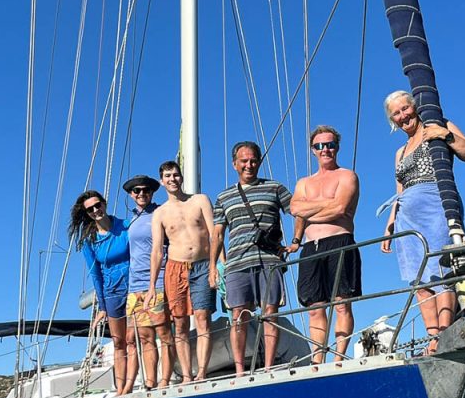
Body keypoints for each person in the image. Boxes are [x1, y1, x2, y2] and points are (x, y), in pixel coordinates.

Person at [380, 91, 465, 354]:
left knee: (441, 270)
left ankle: (443, 335)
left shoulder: (439, 125)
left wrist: (446, 136)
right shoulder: (399, 152)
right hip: (407, 216)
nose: (402, 116)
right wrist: (391, 224)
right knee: (418, 279)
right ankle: (431, 336)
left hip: (437, 204)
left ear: (414, 107)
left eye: (404, 109)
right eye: (396, 114)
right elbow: (400, 190)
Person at [209, 141, 292, 375]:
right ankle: (239, 370)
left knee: (270, 313)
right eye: (244, 161)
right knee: (238, 316)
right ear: (235, 164)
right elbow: (217, 234)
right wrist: (212, 268)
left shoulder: (275, 188)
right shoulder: (224, 197)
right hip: (236, 263)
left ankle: (267, 367)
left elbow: (297, 209)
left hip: (269, 260)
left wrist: (296, 239)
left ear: (259, 162)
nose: (249, 165)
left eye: (253, 160)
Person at [288, 126, 361, 363]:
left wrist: (312, 211)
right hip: (311, 247)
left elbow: (340, 207)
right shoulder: (304, 183)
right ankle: (317, 359)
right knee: (315, 307)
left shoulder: (347, 176)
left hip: (339, 241)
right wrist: (297, 239)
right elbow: (295, 210)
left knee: (341, 304)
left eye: (329, 145)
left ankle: (339, 356)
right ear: (313, 150)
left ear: (337, 147)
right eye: (320, 146)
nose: (325, 149)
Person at [146, 161, 216, 382]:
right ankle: (186, 374)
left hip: (203, 264)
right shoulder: (160, 213)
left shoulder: (200, 200)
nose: (172, 179)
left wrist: (219, 265)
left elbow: (214, 234)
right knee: (180, 323)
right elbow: (157, 250)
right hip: (175, 269)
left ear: (181, 177)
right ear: (162, 181)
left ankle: (202, 371)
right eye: (168, 176)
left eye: (176, 175)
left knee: (203, 317)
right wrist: (151, 287)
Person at [69, 190, 130, 396]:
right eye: (91, 209)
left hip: (133, 288)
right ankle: (121, 389)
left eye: (98, 205)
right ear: (87, 214)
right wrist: (102, 307)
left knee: (134, 338)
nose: (96, 210)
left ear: (104, 203)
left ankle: (132, 384)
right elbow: (95, 274)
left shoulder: (125, 227)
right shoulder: (89, 240)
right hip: (112, 292)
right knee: (119, 341)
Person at [121, 175, 174, 392]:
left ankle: (165, 380)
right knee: (143, 337)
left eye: (145, 190)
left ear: (152, 192)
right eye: (136, 191)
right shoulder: (130, 221)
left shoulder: (160, 213)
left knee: (164, 334)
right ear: (131, 195)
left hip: (159, 281)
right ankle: (150, 383)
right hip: (135, 286)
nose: (141, 194)